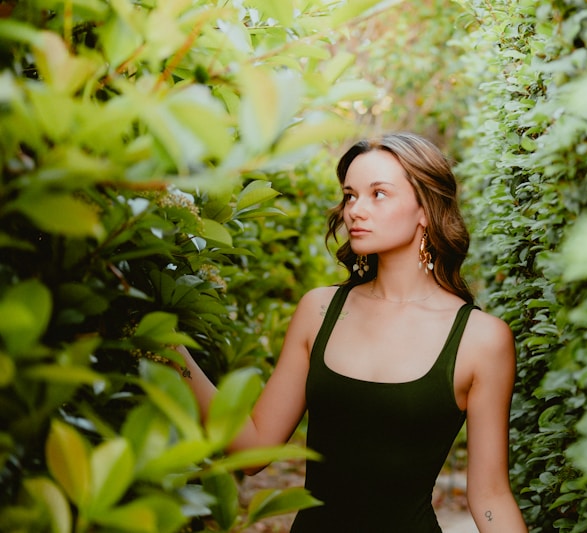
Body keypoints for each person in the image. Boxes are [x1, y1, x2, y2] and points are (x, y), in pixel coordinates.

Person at [176, 132, 527, 532]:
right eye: (350, 196)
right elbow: (255, 449)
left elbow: (490, 496)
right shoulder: (319, 311)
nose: (355, 210)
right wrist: (169, 349)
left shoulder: (481, 340)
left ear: (425, 210)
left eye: (379, 194)